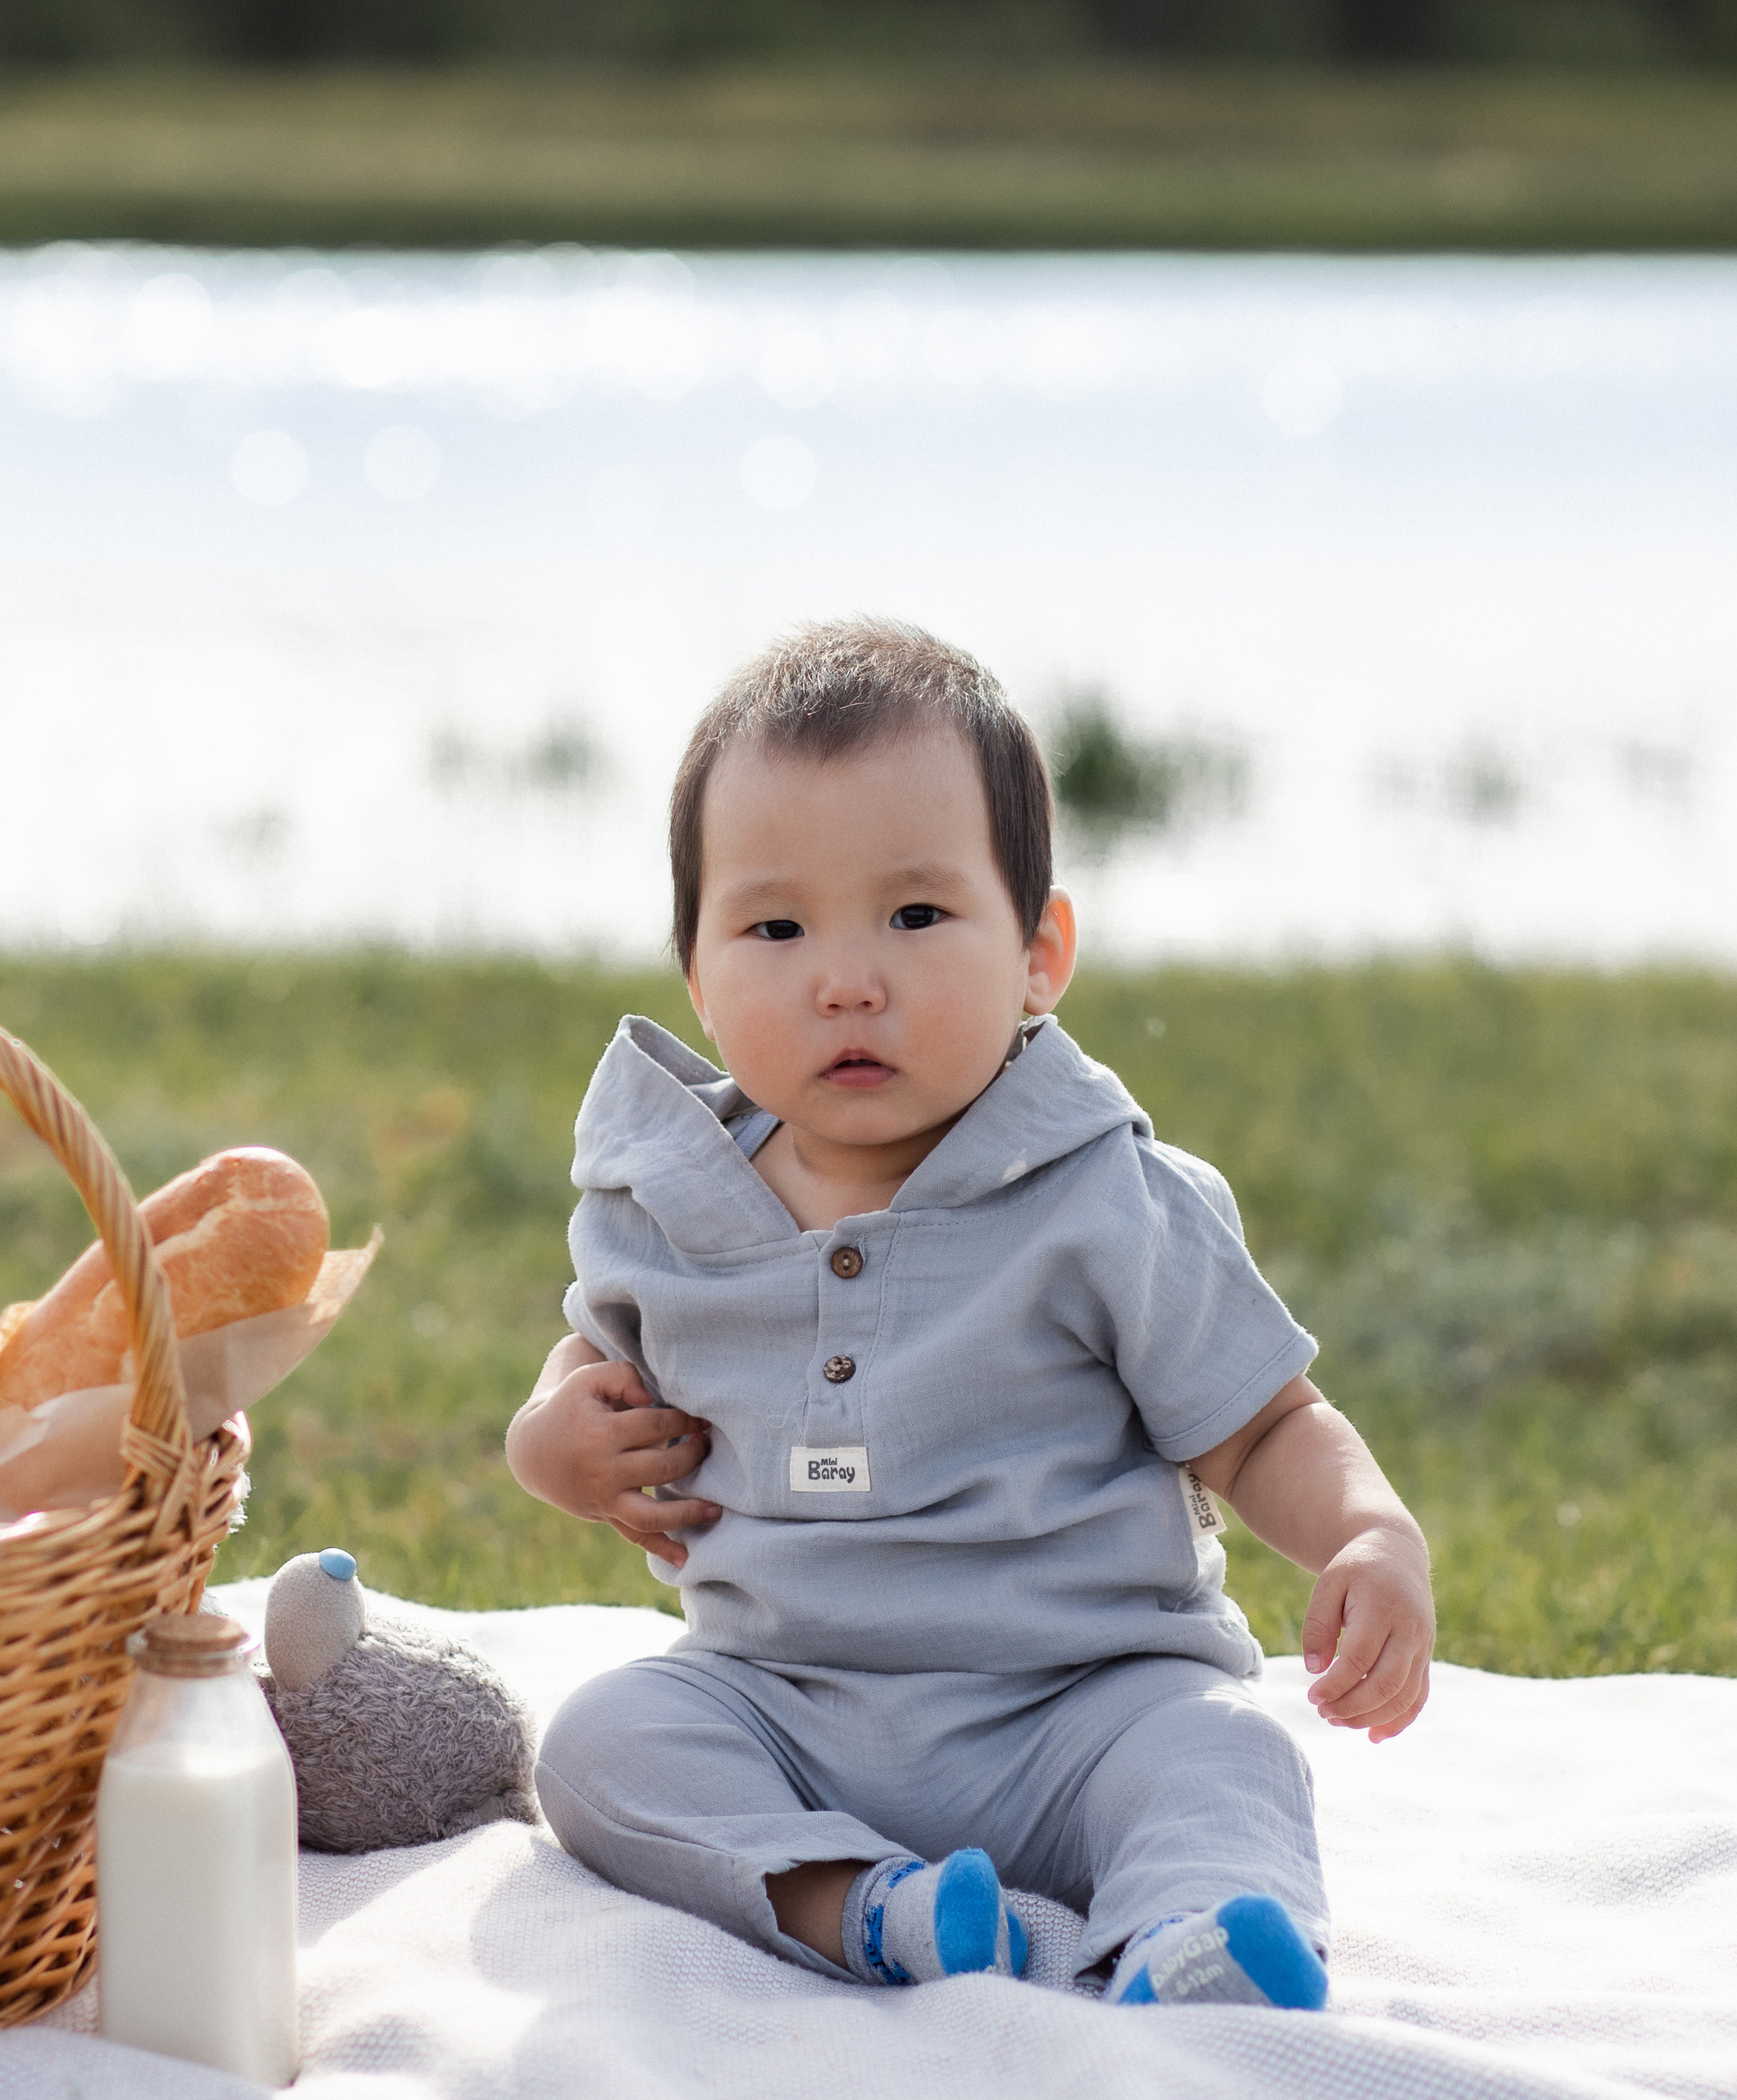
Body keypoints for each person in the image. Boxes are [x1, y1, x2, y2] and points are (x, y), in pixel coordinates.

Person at [505, 619, 1434, 2008]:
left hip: (1081, 1711)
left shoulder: (1104, 1198)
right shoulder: (668, 1200)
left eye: (917, 915)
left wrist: (1366, 1529)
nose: (847, 976)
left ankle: (1191, 1937)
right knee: (602, 1740)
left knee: (1222, 1754)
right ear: (698, 976)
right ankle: (867, 1909)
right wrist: (553, 1442)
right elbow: (597, 1355)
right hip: (788, 1707)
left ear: (1039, 953)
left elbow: (1260, 1426)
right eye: (776, 926)